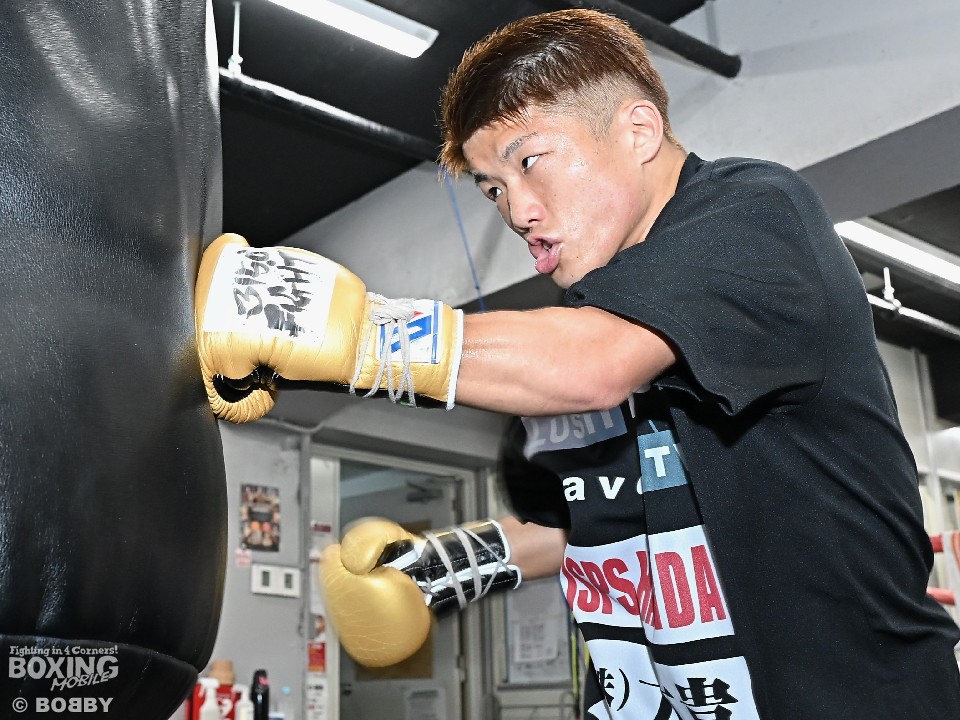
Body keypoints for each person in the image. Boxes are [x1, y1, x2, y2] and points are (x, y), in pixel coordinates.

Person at [196, 9, 960, 719]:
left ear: (638, 129)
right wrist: (453, 563)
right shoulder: (596, 315)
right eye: (494, 189)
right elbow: (608, 516)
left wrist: (358, 336)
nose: (517, 210)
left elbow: (597, 364)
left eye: (531, 161)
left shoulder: (756, 214)